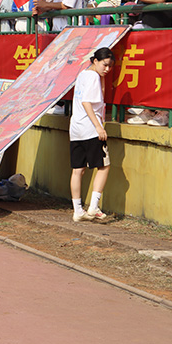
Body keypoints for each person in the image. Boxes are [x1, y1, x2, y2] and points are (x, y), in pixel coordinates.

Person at [69, 47, 115, 222]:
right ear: (95, 61)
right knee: (104, 166)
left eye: (110, 66)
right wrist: (98, 127)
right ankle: (94, 206)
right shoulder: (93, 77)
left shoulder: (83, 74)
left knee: (77, 170)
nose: (107, 69)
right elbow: (87, 102)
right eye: (105, 65)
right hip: (90, 128)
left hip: (76, 128)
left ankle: (78, 210)